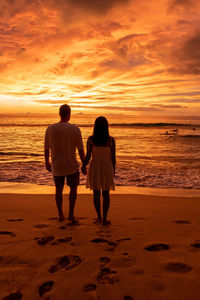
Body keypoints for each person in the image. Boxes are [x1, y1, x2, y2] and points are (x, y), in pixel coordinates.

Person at [44, 104, 85, 223]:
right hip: (71, 165)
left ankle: (61, 215)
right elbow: (81, 150)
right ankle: (71, 214)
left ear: (59, 113)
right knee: (73, 189)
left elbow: (47, 148)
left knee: (58, 189)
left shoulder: (50, 129)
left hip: (57, 165)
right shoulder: (75, 129)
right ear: (69, 114)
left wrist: (47, 163)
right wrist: (84, 164)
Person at [81, 116, 116, 225]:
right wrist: (113, 171)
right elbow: (113, 157)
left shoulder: (91, 140)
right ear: (106, 127)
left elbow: (88, 156)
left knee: (96, 194)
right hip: (107, 168)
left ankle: (99, 217)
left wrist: (83, 166)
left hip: (95, 167)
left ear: (95, 127)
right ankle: (104, 219)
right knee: (106, 194)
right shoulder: (110, 140)